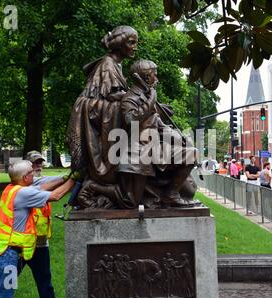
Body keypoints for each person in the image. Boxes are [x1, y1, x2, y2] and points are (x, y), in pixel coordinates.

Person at [66, 26, 138, 208]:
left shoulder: (115, 65)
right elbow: (110, 97)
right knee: (114, 161)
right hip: (99, 117)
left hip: (105, 114)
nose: (135, 47)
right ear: (120, 43)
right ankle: (103, 187)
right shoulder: (107, 64)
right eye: (131, 42)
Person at [0, 160, 75, 298]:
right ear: (25, 178)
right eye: (31, 172)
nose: (34, 173)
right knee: (3, 297)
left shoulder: (12, 189)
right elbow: (56, 195)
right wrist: (75, 179)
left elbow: (43, 187)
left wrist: (65, 178)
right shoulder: (24, 194)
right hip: (6, 256)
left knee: (0, 294)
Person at [118, 59, 196, 208]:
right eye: (155, 75)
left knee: (191, 153)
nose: (157, 79)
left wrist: (180, 138)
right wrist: (152, 98)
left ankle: (170, 195)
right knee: (131, 201)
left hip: (155, 149)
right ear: (146, 78)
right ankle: (93, 189)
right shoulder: (130, 98)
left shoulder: (148, 98)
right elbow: (131, 120)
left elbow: (159, 125)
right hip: (139, 151)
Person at [22, 150, 73, 298]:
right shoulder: (25, 186)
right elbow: (57, 194)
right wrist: (71, 177)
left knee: (45, 283)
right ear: (27, 168)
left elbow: (57, 180)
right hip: (21, 245)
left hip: (41, 244)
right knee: (9, 283)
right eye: (34, 163)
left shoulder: (42, 181)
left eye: (40, 162)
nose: (38, 166)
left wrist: (70, 176)